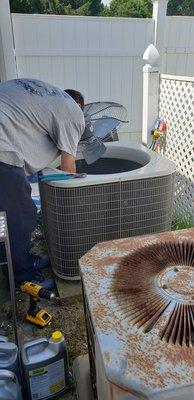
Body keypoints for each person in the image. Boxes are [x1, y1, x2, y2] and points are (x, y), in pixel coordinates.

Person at [0, 78, 85, 289]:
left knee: (4, 215)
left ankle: (20, 262)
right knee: (20, 216)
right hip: (2, 149)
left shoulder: (46, 96)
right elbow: (68, 170)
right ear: (80, 108)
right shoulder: (73, 113)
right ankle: (22, 277)